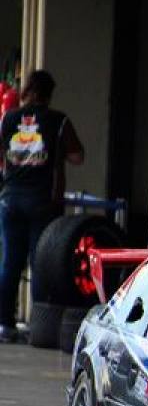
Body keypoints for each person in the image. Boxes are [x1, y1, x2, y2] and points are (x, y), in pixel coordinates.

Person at [0, 69, 84, 343]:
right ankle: (39, 327)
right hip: (43, 203)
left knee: (10, 262)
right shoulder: (58, 121)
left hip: (10, 199)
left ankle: (4, 324)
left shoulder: (8, 119)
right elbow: (77, 156)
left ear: (26, 91)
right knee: (40, 262)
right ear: (48, 94)